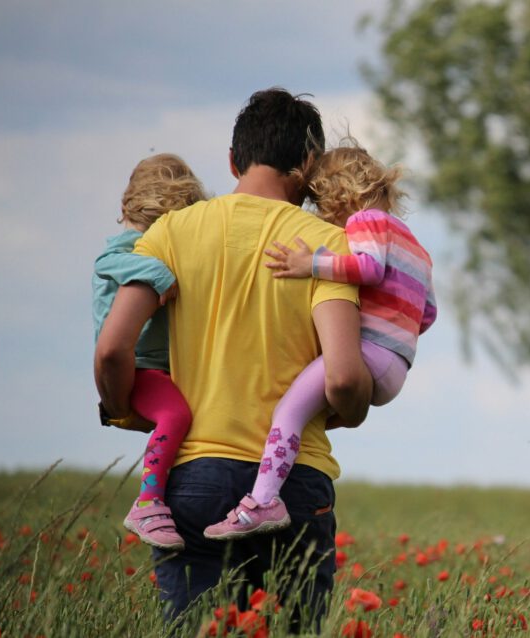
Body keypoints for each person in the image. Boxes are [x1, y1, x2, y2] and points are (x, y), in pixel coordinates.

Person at [94, 88, 373, 625]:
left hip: (193, 476)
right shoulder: (327, 245)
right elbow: (342, 378)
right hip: (294, 483)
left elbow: (111, 349)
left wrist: (125, 407)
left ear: (232, 160)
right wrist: (353, 409)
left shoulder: (169, 233)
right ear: (309, 165)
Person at [204, 140, 437, 540]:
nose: (321, 214)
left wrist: (309, 264)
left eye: (321, 202)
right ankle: (275, 481)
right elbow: (428, 313)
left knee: (288, 412)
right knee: (308, 412)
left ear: (340, 193)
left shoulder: (367, 222)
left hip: (368, 353)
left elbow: (368, 268)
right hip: (397, 365)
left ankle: (262, 501)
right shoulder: (416, 246)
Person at [92, 153, 204, 551]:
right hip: (138, 367)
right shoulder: (128, 247)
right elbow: (108, 261)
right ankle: (148, 502)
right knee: (176, 414)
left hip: (158, 367)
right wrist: (159, 274)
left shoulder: (148, 243)